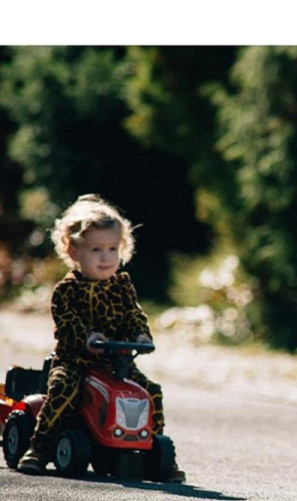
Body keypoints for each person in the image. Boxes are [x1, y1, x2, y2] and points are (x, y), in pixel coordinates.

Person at [18, 193, 185, 482]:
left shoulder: (122, 287)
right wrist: (86, 337)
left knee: (150, 391)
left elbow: (134, 315)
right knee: (61, 388)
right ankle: (40, 445)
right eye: (96, 249)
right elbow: (66, 323)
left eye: (111, 248)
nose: (106, 257)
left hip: (116, 364)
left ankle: (154, 450)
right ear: (74, 252)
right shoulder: (67, 290)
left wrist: (141, 334)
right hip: (76, 361)